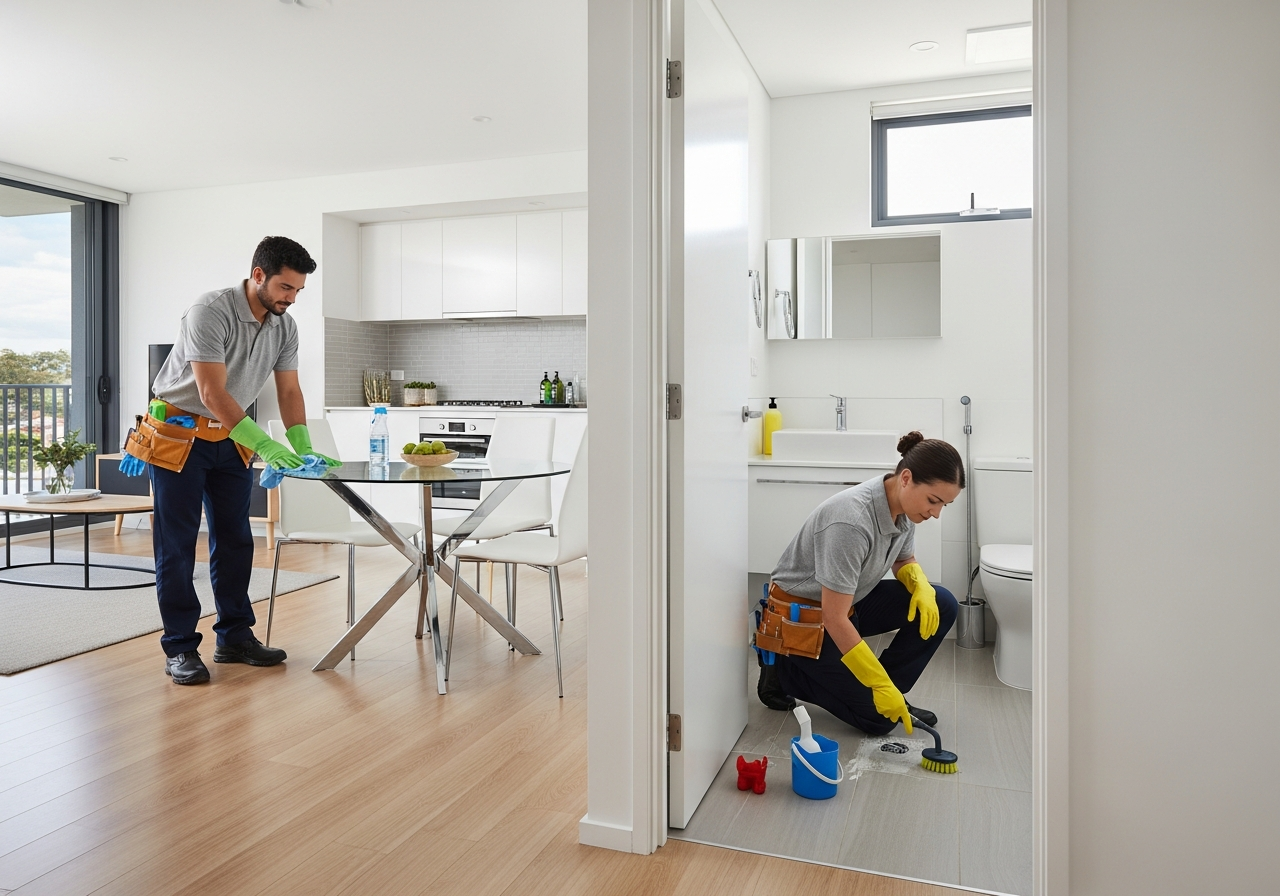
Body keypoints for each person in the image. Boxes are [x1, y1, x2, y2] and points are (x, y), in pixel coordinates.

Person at [146, 236, 336, 685]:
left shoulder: (283, 326)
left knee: (235, 539)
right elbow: (211, 392)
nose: (291, 299)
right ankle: (179, 648)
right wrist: (269, 448)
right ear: (258, 276)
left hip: (231, 439)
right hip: (179, 435)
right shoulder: (209, 311)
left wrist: (301, 443)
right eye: (286, 288)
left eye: (298, 291)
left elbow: (288, 391)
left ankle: (234, 637)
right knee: (176, 545)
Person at [757, 431, 962, 735]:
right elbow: (833, 617)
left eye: (945, 504)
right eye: (933, 501)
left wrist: (920, 584)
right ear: (906, 478)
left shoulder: (904, 508)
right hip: (802, 621)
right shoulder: (850, 520)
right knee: (879, 721)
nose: (936, 513)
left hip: (847, 602)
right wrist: (874, 682)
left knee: (941, 603)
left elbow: (903, 559)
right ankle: (784, 673)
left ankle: (889, 694)